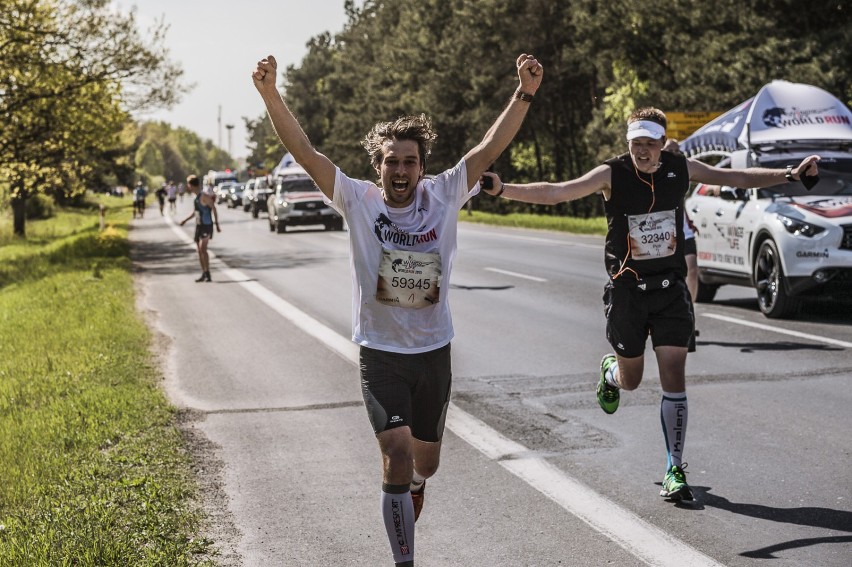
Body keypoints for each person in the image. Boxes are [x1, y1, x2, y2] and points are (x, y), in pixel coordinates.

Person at [253, 52, 542, 566]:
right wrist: (271, 94)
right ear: (378, 165)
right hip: (380, 354)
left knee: (424, 464)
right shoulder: (358, 200)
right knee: (396, 454)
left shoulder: (446, 193)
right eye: (391, 161)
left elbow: (490, 145)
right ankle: (404, 560)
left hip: (433, 352)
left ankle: (414, 488)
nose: (400, 170)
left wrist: (523, 93)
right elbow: (303, 150)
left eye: (409, 161)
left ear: (422, 167)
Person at [480, 108, 819, 502]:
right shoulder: (612, 173)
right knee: (633, 380)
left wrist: (792, 174)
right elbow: (558, 191)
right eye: (635, 144)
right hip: (628, 291)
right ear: (629, 144)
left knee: (673, 370)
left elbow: (737, 177)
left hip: (670, 289)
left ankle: (674, 467)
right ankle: (611, 373)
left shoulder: (681, 167)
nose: (642, 151)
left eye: (649, 144)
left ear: (662, 144)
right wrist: (504, 189)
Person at [179, 174, 220, 282]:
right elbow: (195, 212)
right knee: (199, 250)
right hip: (199, 225)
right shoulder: (196, 197)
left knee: (203, 249)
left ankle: (208, 273)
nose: (188, 187)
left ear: (192, 185)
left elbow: (214, 208)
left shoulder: (204, 196)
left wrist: (217, 224)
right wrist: (185, 220)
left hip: (206, 225)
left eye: (188, 184)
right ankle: (204, 272)